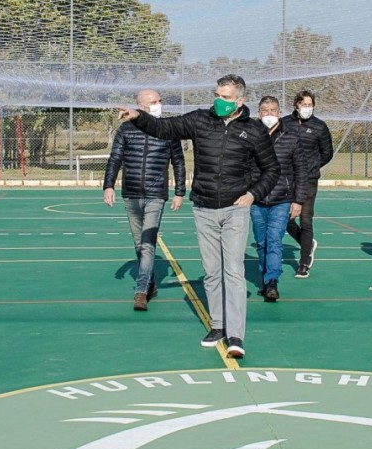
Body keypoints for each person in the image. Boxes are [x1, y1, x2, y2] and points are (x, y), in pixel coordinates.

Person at [116, 75, 280, 358]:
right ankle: (217, 325)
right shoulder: (200, 120)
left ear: (239, 101)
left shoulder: (253, 131)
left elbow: (271, 170)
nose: (219, 100)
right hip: (204, 208)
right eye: (217, 94)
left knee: (234, 271)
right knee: (212, 273)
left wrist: (253, 194)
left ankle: (236, 335)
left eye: (226, 97)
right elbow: (164, 127)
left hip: (235, 210)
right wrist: (137, 117)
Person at [103, 89, 186, 311]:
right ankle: (150, 283)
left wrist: (180, 192)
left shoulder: (169, 130)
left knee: (148, 244)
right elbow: (115, 159)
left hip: (156, 195)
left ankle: (140, 292)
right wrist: (108, 186)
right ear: (140, 106)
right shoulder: (126, 130)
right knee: (139, 244)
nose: (158, 104)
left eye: (159, 100)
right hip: (130, 194)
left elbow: (178, 162)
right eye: (153, 102)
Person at [251, 96, 307, 302]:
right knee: (261, 242)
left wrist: (298, 200)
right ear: (259, 113)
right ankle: (265, 280)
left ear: (279, 112)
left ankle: (272, 280)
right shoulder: (251, 135)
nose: (269, 114)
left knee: (274, 240)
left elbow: (301, 171)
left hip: (282, 199)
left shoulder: (291, 137)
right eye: (265, 111)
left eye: (272, 110)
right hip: (256, 199)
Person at [282, 90, 334, 279]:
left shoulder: (319, 126)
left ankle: (303, 263)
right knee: (286, 219)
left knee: (305, 219)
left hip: (309, 180)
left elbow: (327, 152)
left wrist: (311, 167)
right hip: (288, 179)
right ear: (296, 105)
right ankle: (307, 243)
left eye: (309, 104)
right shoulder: (285, 123)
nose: (307, 108)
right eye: (303, 104)